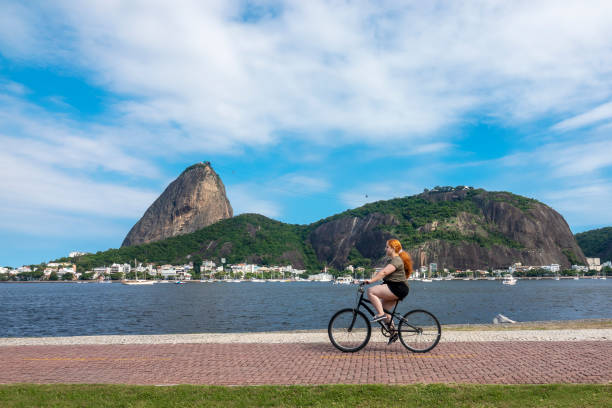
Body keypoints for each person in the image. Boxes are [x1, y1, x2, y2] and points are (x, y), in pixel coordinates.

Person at [364, 238, 413, 344]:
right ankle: (393, 333)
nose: (385, 249)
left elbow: (384, 272)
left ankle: (380, 314)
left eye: (387, 247)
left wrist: (371, 281)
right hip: (398, 288)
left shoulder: (397, 260)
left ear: (393, 248)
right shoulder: (395, 260)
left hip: (398, 288)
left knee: (370, 291)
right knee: (386, 311)